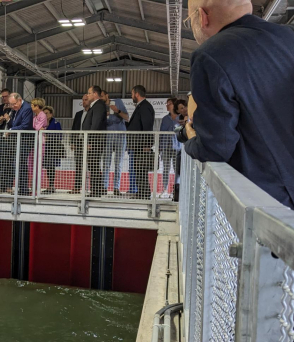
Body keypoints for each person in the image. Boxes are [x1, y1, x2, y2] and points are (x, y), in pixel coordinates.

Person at [183, 0, 294, 208]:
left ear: (203, 17)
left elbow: (216, 147)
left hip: (271, 208)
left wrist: (190, 139)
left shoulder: (210, 55)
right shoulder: (289, 36)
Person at [126, 85, 156, 199]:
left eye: (132, 94)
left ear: (136, 94)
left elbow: (147, 126)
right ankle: (142, 192)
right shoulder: (141, 106)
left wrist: (147, 144)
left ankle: (144, 193)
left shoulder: (144, 107)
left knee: (141, 169)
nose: (131, 96)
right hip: (137, 144)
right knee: (139, 170)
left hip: (141, 145)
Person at [79, 85, 107, 197]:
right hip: (93, 141)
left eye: (89, 93)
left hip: (95, 141)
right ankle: (96, 190)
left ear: (95, 94)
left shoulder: (99, 105)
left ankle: (96, 191)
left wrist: (90, 141)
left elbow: (95, 124)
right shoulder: (94, 106)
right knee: (93, 165)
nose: (87, 95)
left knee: (94, 165)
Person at [101, 90, 128, 197]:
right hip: (107, 136)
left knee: (118, 162)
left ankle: (116, 187)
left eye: (103, 96)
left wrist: (117, 110)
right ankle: (104, 186)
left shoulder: (117, 102)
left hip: (120, 135)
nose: (102, 98)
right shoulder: (100, 107)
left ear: (107, 95)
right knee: (106, 162)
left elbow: (126, 117)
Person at [6, 93, 33, 196]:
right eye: (11, 105)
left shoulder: (27, 108)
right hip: (16, 141)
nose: (12, 107)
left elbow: (25, 126)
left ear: (19, 100)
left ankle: (23, 189)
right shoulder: (15, 110)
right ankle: (21, 188)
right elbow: (14, 123)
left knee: (20, 164)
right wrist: (9, 121)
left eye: (14, 104)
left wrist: (11, 130)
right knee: (17, 165)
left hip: (24, 141)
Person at [0, 89, 13, 194]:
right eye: (3, 97)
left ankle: (9, 185)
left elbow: (16, 124)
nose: (4, 98)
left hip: (11, 139)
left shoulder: (15, 108)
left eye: (6, 96)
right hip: (0, 138)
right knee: (1, 162)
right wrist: (0, 121)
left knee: (9, 162)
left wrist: (8, 119)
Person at [159, 98, 181, 199]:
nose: (167, 105)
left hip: (178, 148)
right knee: (166, 169)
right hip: (166, 147)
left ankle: (175, 190)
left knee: (177, 170)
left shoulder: (181, 118)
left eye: (169, 103)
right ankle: (165, 190)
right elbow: (161, 134)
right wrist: (160, 148)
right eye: (167, 104)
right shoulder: (165, 119)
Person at [71, 94, 90, 194]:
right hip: (78, 142)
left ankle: (92, 188)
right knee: (78, 165)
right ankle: (77, 187)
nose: (83, 102)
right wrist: (72, 142)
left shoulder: (92, 113)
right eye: (83, 100)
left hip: (89, 143)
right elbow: (74, 128)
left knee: (91, 165)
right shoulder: (78, 114)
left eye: (85, 100)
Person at [42, 106, 62, 194]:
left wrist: (48, 136)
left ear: (51, 114)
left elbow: (59, 135)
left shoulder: (56, 123)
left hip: (52, 148)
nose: (45, 115)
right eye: (44, 113)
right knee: (47, 166)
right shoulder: (41, 123)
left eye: (46, 113)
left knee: (51, 166)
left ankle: (51, 185)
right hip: (43, 148)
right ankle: (48, 185)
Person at [29, 98, 48, 190]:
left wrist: (36, 128)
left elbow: (37, 127)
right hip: (33, 142)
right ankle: (33, 183)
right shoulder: (35, 117)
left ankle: (37, 186)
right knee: (31, 164)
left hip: (40, 143)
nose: (31, 106)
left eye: (33, 105)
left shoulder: (42, 115)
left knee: (38, 164)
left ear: (37, 106)